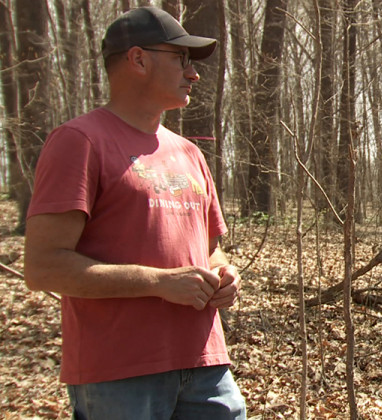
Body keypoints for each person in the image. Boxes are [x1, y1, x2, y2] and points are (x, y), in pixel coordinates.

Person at [23, 6, 246, 419]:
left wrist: (224, 276)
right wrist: (157, 282)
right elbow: (43, 267)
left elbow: (211, 252)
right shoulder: (79, 141)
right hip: (119, 373)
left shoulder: (190, 153)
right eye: (181, 59)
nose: (193, 73)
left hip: (206, 366)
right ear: (138, 59)